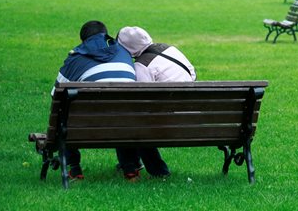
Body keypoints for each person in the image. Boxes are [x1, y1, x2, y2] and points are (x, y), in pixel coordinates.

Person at [53, 20, 143, 182]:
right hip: (127, 123)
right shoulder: (124, 53)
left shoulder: (76, 57)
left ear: (84, 40)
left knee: (63, 114)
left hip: (87, 125)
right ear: (106, 34)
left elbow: (56, 95)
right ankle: (130, 169)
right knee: (121, 110)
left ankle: (74, 169)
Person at [116, 26, 197, 178]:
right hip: (192, 116)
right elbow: (192, 74)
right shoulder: (171, 49)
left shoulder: (141, 66)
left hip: (170, 122)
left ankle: (147, 169)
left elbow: (142, 103)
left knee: (130, 120)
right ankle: (132, 163)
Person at [117, 26, 196, 83]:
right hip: (191, 96)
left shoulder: (142, 65)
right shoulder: (169, 48)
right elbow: (191, 72)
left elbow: (142, 93)